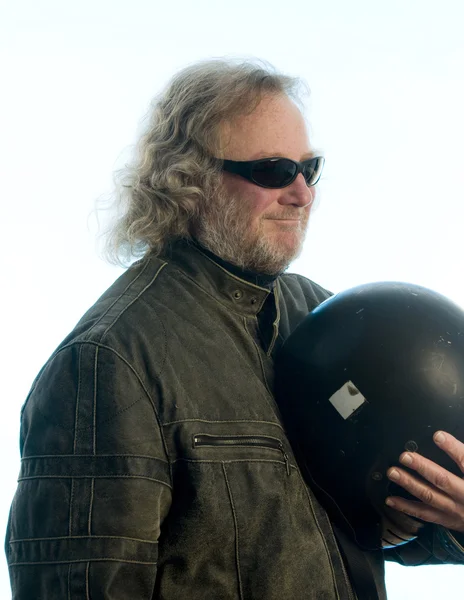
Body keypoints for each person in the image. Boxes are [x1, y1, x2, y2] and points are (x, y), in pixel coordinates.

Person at [5, 58, 464, 600]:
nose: (303, 194)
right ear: (190, 181)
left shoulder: (316, 314)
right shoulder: (109, 361)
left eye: (308, 169)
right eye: (273, 171)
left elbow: (379, 524)